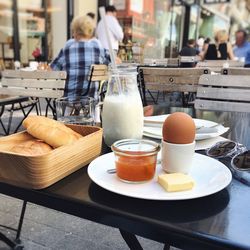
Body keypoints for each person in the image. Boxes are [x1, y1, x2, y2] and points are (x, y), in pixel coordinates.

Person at [50, 15, 110, 101]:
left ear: (75, 31)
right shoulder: (98, 46)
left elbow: (54, 69)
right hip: (91, 101)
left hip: (68, 101)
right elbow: (111, 62)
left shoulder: (68, 46)